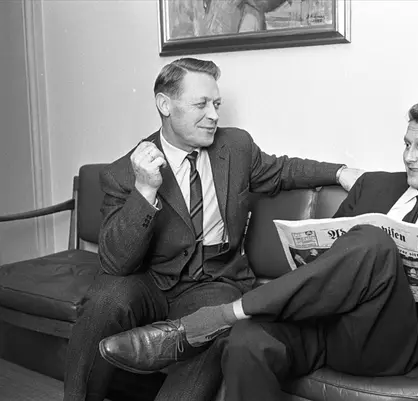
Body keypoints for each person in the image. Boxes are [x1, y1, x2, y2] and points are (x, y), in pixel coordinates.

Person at [100, 99, 418, 400]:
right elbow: (329, 256)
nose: (409, 157)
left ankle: (214, 319)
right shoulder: (375, 185)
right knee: (247, 341)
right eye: (407, 143)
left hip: (396, 340)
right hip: (327, 325)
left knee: (374, 241)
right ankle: (233, 321)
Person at [62, 57, 362, 401]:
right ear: (165, 105)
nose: (214, 115)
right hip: (150, 278)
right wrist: (145, 191)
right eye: (201, 104)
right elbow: (116, 263)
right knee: (104, 299)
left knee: (213, 325)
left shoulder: (235, 148)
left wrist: (340, 172)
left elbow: (283, 170)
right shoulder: (124, 172)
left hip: (214, 280)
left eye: (216, 104)